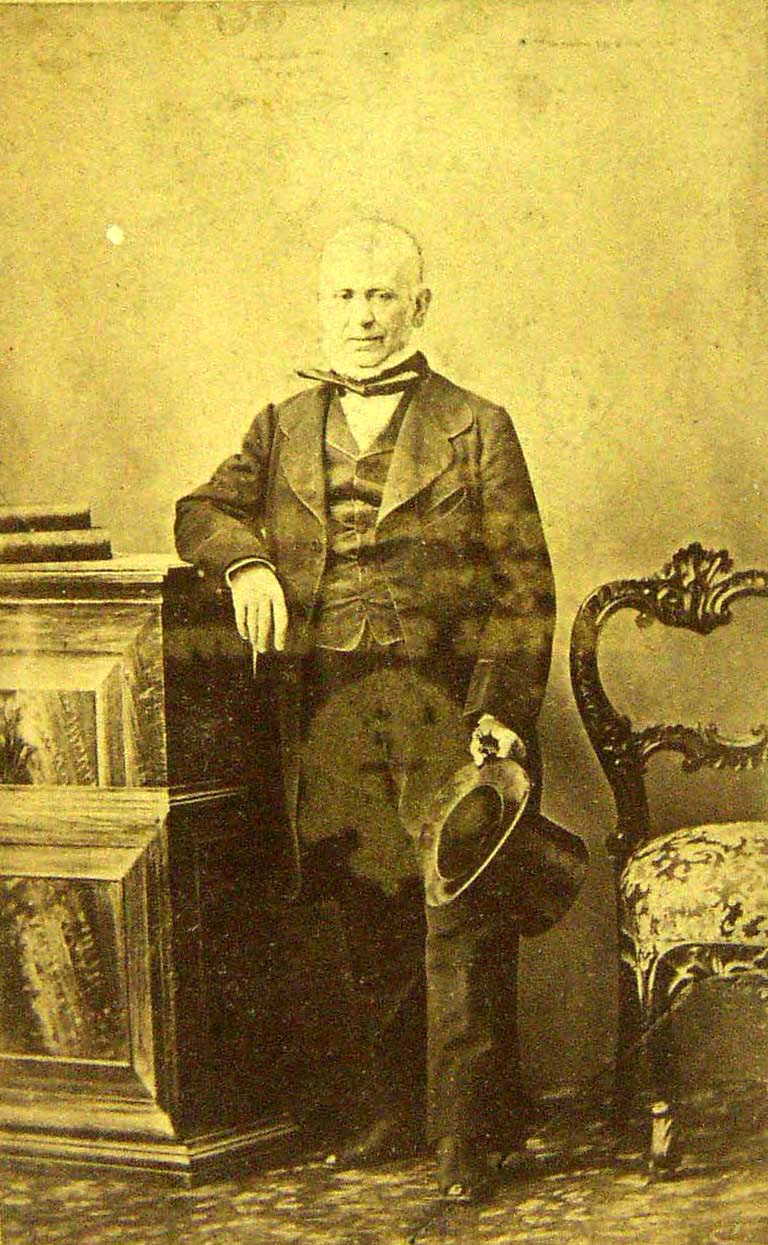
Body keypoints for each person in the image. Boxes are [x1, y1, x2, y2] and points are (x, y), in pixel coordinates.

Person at [175, 219, 555, 1201]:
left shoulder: (477, 424)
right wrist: (248, 562)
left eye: (382, 295)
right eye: (345, 296)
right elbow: (199, 511)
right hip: (328, 705)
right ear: (321, 304)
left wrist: (499, 711)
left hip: (446, 704)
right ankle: (393, 1113)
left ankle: (471, 1137)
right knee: (366, 908)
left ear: (418, 307)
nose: (363, 316)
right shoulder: (282, 422)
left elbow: (524, 586)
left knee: (457, 911)